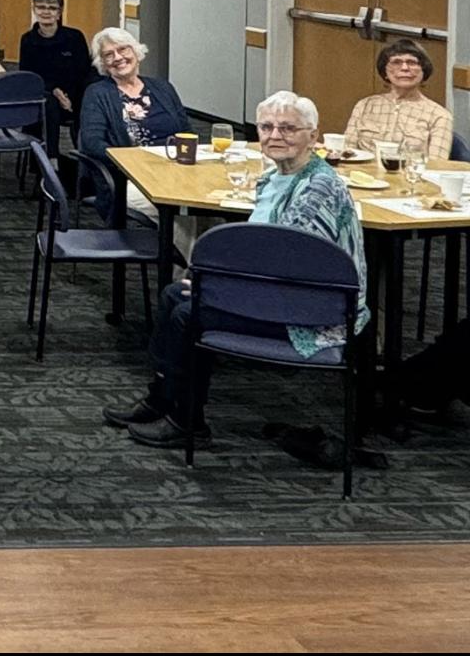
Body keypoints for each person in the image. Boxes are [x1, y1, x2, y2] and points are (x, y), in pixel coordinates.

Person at [103, 91, 366, 451]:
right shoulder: (276, 177)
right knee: (172, 294)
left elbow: (294, 265)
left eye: (288, 128)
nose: (276, 135)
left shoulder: (318, 187)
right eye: (267, 127)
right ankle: (162, 399)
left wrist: (219, 287)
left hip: (314, 311)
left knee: (187, 313)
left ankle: (187, 422)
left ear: (313, 136)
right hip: (279, 294)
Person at [78, 27, 190, 221]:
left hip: (176, 171)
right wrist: (133, 162)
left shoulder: (163, 88)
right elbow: (92, 143)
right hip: (129, 178)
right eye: (108, 55)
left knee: (212, 206)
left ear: (136, 52)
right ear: (103, 63)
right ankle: (185, 250)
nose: (118, 57)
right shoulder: (97, 93)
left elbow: (187, 132)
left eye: (123, 50)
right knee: (176, 215)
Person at [344, 38, 453, 161]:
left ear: (424, 71)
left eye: (412, 63)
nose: (405, 68)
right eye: (396, 62)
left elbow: (437, 165)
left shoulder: (439, 115)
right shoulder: (365, 105)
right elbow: (347, 151)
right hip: (363, 177)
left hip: (410, 177)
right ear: (385, 71)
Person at [16, 0, 97, 140]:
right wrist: (55, 91)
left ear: (59, 13)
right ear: (34, 10)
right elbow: (28, 74)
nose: (46, 12)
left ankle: (85, 155)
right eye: (41, 7)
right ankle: (51, 158)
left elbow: (83, 70)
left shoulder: (74, 37)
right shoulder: (28, 40)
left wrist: (68, 97)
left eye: (52, 8)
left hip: (74, 92)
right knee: (48, 103)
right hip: (45, 91)